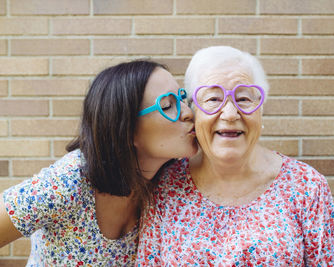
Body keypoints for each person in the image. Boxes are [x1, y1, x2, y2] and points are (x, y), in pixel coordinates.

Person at [135, 46, 334, 266]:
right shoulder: (165, 185)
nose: (230, 114)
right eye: (213, 99)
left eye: (244, 99)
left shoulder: (306, 186)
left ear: (260, 110)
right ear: (193, 112)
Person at [0, 59, 197, 266]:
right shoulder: (66, 182)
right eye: (168, 105)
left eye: (182, 99)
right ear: (126, 129)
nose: (188, 113)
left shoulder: (171, 182)